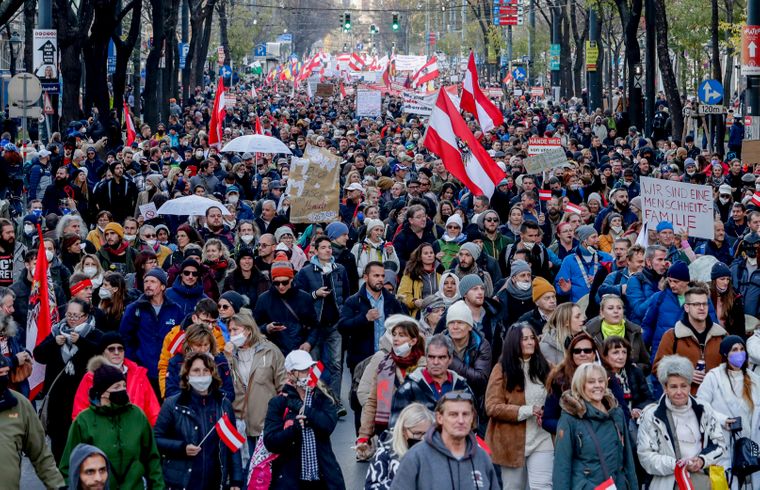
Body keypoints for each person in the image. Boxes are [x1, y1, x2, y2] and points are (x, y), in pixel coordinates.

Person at [60, 357, 164, 489]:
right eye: (117, 387)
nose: (123, 390)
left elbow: (152, 458)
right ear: (103, 393)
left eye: (124, 385)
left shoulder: (137, 415)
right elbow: (68, 466)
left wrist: (158, 487)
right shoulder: (83, 421)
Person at [154, 352, 244, 489]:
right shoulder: (172, 404)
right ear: (187, 374)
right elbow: (156, 439)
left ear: (212, 373)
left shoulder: (223, 404)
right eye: (196, 370)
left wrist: (236, 481)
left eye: (206, 370)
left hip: (214, 482)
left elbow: (233, 445)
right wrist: (182, 448)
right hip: (181, 482)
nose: (201, 374)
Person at [637, 355, 727, 490]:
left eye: (683, 386)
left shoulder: (704, 409)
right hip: (667, 483)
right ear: (665, 388)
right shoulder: (651, 415)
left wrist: (702, 460)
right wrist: (677, 465)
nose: (679, 392)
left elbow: (719, 444)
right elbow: (646, 456)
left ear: (690, 386)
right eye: (673, 387)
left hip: (702, 481)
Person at [263, 349, 345, 489]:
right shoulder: (279, 402)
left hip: (323, 478)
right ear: (290, 374)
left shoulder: (322, 396)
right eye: (303, 370)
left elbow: (328, 425)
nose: (308, 373)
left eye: (310, 368)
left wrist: (306, 411)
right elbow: (270, 442)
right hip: (292, 480)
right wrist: (294, 429)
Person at [33, 298, 104, 462]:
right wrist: (54, 343)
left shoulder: (95, 334)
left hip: (82, 399)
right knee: (58, 444)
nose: (71, 319)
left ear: (85, 316)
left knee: (82, 442)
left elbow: (101, 355)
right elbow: (39, 355)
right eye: (69, 315)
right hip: (57, 399)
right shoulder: (56, 331)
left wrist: (81, 342)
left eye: (76, 316)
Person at [485, 323, 553, 488]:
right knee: (514, 487)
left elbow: (558, 397)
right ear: (514, 343)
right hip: (511, 442)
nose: (530, 342)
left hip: (542, 437)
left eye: (532, 338)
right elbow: (492, 406)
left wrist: (548, 412)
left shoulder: (547, 366)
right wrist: (528, 410)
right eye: (524, 339)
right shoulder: (501, 369)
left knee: (542, 486)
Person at [389, 391, 500, 490]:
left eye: (465, 414)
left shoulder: (482, 458)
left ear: (472, 418)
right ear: (439, 418)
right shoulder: (416, 457)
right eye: (453, 414)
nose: (461, 420)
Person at [553, 363, 638, 490]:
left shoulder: (616, 413)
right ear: (580, 385)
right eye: (591, 382)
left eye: (601, 381)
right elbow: (562, 466)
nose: (598, 385)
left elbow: (628, 460)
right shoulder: (570, 418)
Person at [355, 316, 427, 461]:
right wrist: (364, 435)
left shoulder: (424, 366)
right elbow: (372, 401)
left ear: (413, 341)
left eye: (402, 335)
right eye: (394, 335)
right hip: (388, 432)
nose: (396, 339)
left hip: (417, 433)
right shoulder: (384, 365)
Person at [697, 336, 760, 487]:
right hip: (724, 439)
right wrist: (722, 419)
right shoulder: (714, 377)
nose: (739, 353)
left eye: (742, 349)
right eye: (734, 350)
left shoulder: (754, 379)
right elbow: (700, 404)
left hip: (750, 441)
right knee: (728, 481)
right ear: (726, 353)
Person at [294, 235, 350, 403]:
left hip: (335, 324)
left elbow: (346, 293)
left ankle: (335, 401)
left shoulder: (339, 269)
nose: (328, 250)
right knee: (314, 365)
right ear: (316, 251)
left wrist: (343, 314)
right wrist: (315, 294)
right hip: (315, 326)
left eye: (329, 247)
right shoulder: (306, 271)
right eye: (323, 247)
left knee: (336, 364)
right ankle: (316, 400)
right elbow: (299, 297)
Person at [0, 355, 65, 489]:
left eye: (5, 373)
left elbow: (41, 455)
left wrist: (58, 486)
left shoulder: (19, 404)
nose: (4, 378)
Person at [224, 313, 286, 453]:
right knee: (243, 464)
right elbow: (226, 383)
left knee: (263, 465)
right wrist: (227, 359)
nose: (232, 334)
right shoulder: (229, 354)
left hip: (265, 422)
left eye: (235, 330)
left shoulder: (270, 350)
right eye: (230, 331)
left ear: (248, 330)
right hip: (239, 423)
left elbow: (283, 384)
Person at [119, 267, 184, 396]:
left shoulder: (175, 309)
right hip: (142, 371)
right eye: (146, 281)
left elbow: (181, 339)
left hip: (168, 372)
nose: (148, 285)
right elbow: (124, 337)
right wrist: (134, 362)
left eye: (153, 282)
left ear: (163, 286)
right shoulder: (134, 309)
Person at [72, 331, 160, 425]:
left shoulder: (139, 375)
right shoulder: (90, 377)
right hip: (103, 431)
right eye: (111, 349)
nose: (117, 352)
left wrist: (152, 432)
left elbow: (153, 411)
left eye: (120, 349)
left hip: (135, 430)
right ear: (103, 352)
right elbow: (80, 413)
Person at [653, 286, 728, 394]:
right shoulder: (672, 336)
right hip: (684, 398)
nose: (702, 308)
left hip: (716, 398)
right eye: (696, 304)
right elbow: (658, 368)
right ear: (687, 307)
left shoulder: (722, 335)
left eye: (705, 304)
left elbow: (732, 369)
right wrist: (684, 375)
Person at [338, 262, 405, 376]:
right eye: (376, 276)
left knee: (385, 388)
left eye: (382, 276)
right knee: (362, 388)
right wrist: (364, 318)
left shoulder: (392, 301)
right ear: (365, 277)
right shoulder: (353, 301)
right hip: (362, 361)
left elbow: (404, 324)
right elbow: (342, 327)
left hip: (388, 360)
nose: (380, 279)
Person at [390, 334, 472, 424]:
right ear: (426, 357)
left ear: (450, 359)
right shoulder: (409, 388)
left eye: (441, 357)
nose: (435, 362)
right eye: (431, 357)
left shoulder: (461, 386)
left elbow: (473, 422)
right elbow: (395, 426)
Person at [253, 252, 319, 356]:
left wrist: (308, 343)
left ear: (291, 279)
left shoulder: (304, 298)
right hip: (274, 354)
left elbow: (314, 326)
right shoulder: (264, 299)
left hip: (299, 353)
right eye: (276, 283)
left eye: (285, 282)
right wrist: (266, 328)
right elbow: (253, 327)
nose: (281, 286)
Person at [442, 300, 491, 433]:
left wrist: (451, 361)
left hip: (475, 404)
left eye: (460, 322)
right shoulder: (439, 343)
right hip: (444, 401)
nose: (455, 326)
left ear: (469, 326)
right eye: (451, 322)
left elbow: (480, 378)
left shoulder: (481, 344)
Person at [364, 403, 435, 490]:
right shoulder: (385, 452)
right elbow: (370, 487)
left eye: (427, 434)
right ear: (403, 430)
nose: (423, 438)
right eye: (417, 433)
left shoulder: (437, 451)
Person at [586, 294, 650, 372]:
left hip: (628, 378)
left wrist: (636, 368)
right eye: (610, 308)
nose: (616, 311)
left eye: (619, 308)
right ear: (602, 313)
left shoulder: (635, 332)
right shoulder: (590, 333)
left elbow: (646, 363)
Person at [601, 336, 654, 423]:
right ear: (605, 356)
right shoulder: (601, 377)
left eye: (624, 352)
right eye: (615, 352)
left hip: (637, 421)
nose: (621, 357)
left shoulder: (635, 372)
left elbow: (649, 399)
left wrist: (638, 409)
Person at [555, 224, 612, 302]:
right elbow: (559, 285)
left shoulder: (606, 257)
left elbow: (614, 280)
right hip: (578, 305)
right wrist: (564, 290)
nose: (598, 240)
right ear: (584, 241)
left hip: (601, 304)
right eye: (594, 237)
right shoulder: (569, 260)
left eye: (597, 236)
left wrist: (599, 280)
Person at [397, 243, 440, 318]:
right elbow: (401, 296)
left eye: (431, 253)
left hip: (438, 313)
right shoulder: (410, 274)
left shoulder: (440, 272)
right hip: (419, 315)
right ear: (420, 257)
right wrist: (414, 302)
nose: (429, 255)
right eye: (426, 253)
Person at [710, 261, 746, 338]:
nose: (726, 282)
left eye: (728, 279)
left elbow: (740, 328)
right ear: (714, 280)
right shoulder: (706, 296)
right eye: (722, 279)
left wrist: (733, 339)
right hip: (711, 338)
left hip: (730, 338)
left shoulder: (735, 298)